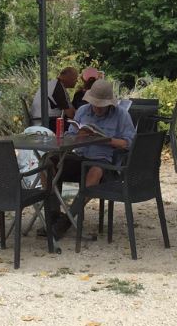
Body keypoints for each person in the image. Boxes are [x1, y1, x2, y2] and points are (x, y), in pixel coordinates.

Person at [42, 79, 135, 239]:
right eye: (95, 103)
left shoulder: (121, 115)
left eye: (101, 105)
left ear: (109, 103)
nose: (97, 107)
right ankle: (53, 215)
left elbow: (130, 143)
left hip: (103, 161)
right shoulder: (83, 111)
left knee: (95, 171)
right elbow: (69, 135)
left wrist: (107, 140)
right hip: (78, 155)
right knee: (47, 162)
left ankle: (67, 220)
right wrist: (78, 136)